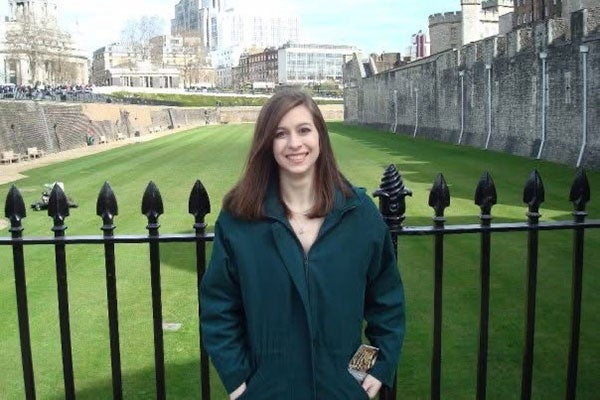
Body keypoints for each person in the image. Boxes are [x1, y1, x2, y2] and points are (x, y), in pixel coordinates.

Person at [200, 89, 405, 399]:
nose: (294, 143)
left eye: (304, 130)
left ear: (320, 136)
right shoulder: (240, 220)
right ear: (267, 143)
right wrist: (240, 379)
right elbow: (219, 309)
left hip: (341, 391)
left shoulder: (359, 215)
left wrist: (366, 369)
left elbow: (386, 304)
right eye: (281, 133)